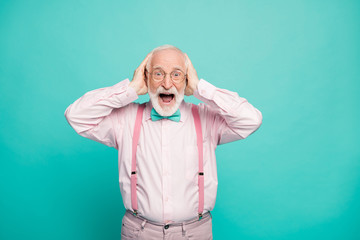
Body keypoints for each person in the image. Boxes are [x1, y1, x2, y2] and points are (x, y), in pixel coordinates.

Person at [64, 44, 263, 240]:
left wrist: (200, 88)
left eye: (176, 74)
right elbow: (76, 116)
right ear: (146, 77)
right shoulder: (125, 120)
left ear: (187, 79)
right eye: (158, 74)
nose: (167, 84)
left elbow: (251, 120)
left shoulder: (206, 118)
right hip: (138, 232)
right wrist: (130, 89)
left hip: (195, 233)